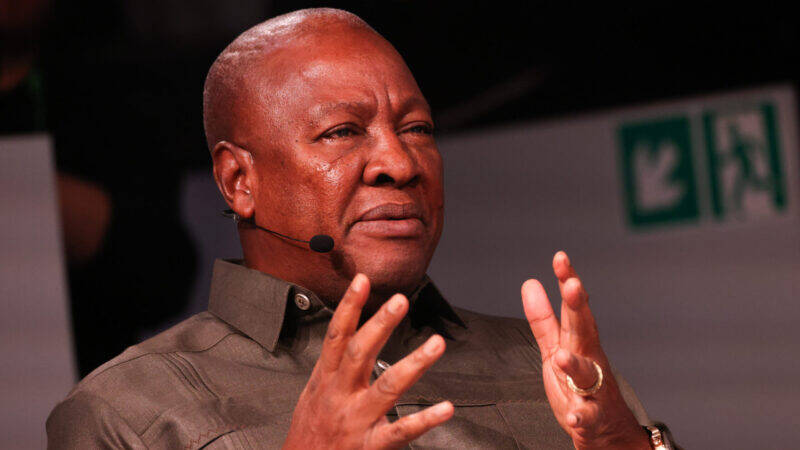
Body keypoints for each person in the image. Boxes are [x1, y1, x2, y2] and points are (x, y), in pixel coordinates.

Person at [47, 8, 676, 449]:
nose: (399, 164)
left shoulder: (553, 369)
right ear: (240, 181)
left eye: (417, 129)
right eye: (342, 132)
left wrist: (624, 444)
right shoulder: (127, 410)